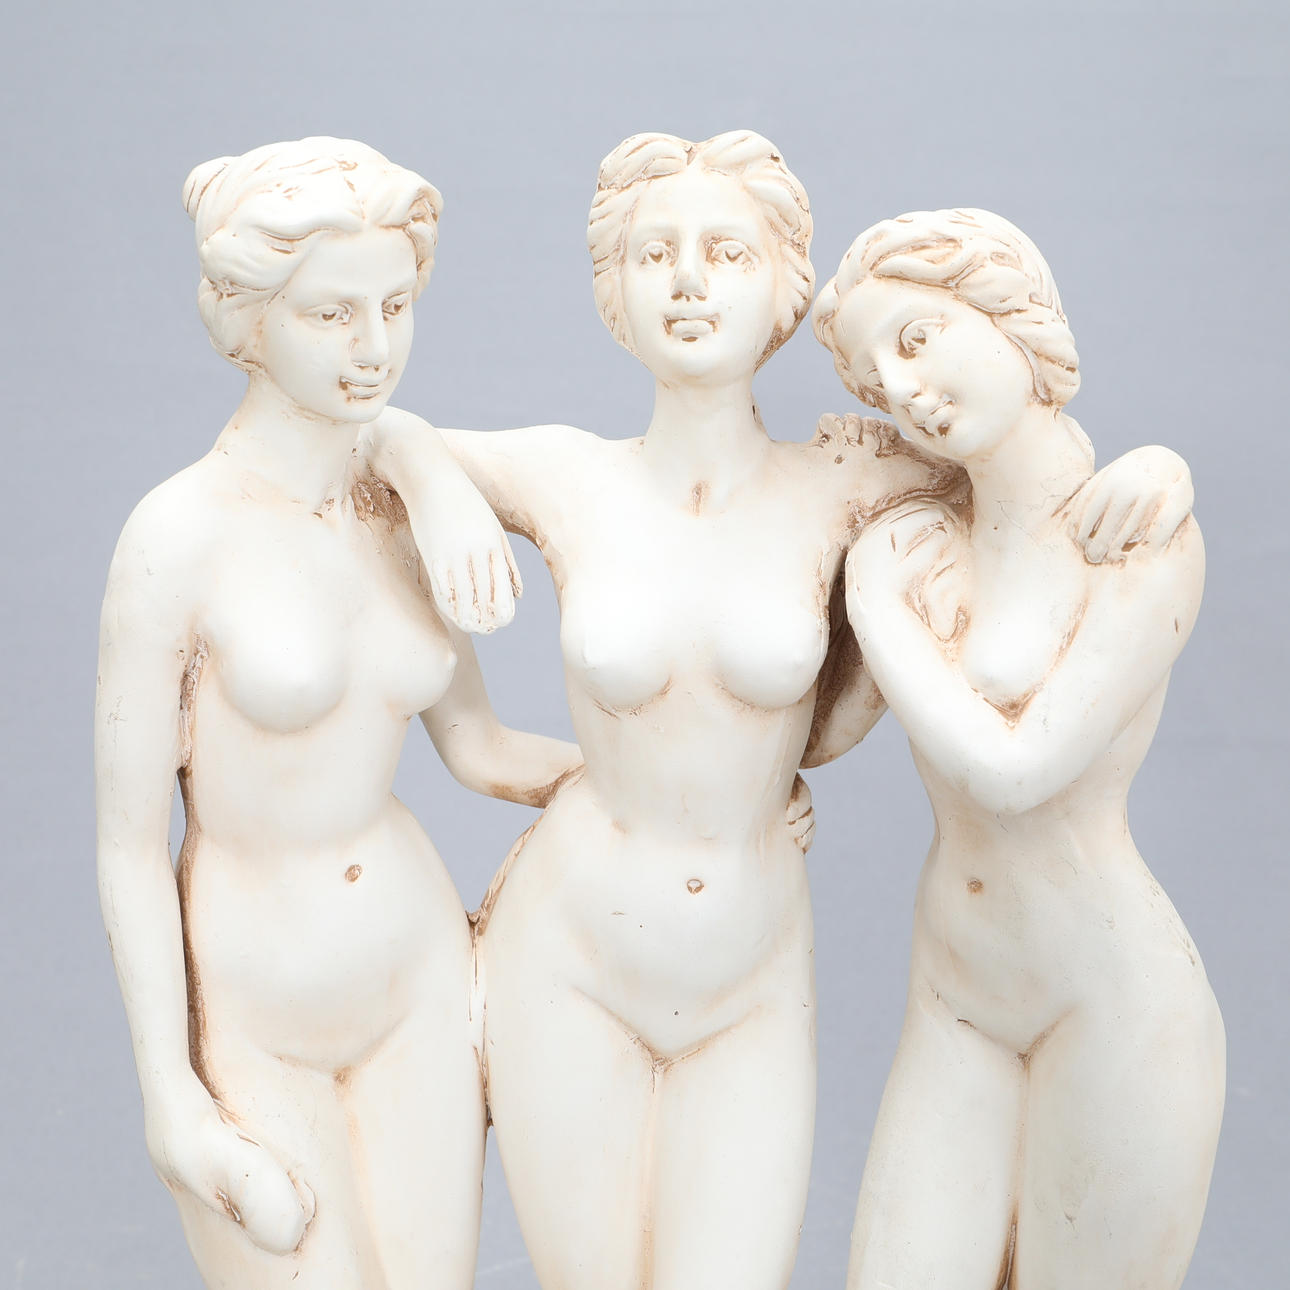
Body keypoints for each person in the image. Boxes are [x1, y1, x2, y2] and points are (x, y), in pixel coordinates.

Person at [369, 135, 1193, 1290]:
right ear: (614, 294)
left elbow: (1019, 465)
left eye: (726, 252)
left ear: (783, 291)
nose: (688, 281)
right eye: (654, 255)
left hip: (750, 964)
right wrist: (439, 499)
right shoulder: (565, 472)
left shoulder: (852, 483)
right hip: (572, 947)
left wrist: (1159, 468)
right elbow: (371, 436)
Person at [94, 137, 579, 1290]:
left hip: (416, 981)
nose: (374, 348)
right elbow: (128, 848)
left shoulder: (402, 512)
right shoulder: (178, 537)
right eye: (330, 314)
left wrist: (691, 804)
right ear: (248, 321)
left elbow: (482, 751)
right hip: (256, 1004)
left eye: (395, 306)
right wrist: (171, 1094)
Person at [812, 207, 1224, 1290]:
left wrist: (876, 599)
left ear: (1011, 312)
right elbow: (821, 739)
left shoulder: (1135, 536)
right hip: (956, 998)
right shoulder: (920, 543)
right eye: (875, 382)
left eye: (915, 340)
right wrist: (832, 515)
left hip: (1111, 1003)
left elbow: (1014, 770)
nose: (902, 391)